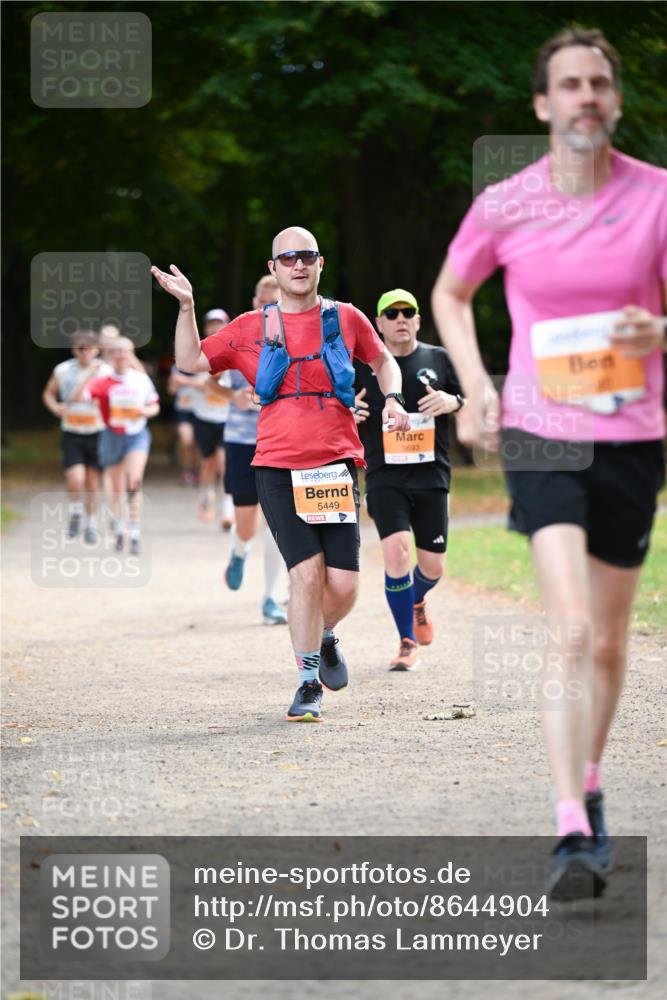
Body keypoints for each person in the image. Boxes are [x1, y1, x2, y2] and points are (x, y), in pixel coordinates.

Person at [432, 28, 667, 900]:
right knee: (568, 628)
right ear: (542, 104)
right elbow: (450, 294)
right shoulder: (507, 203)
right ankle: (569, 824)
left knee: (608, 641)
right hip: (541, 429)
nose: (585, 98)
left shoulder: (656, 199)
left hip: (633, 432)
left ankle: (592, 776)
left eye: (598, 83)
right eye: (568, 85)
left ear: (614, 98)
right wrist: (475, 386)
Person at [151, 226, 409, 722]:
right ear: (273, 268)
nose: (298, 264)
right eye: (287, 258)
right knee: (305, 575)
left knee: (345, 586)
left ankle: (324, 634)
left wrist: (392, 398)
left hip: (334, 464)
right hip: (276, 465)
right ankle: (307, 681)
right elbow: (190, 360)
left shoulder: (346, 317)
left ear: (320, 263)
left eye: (307, 256)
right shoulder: (251, 326)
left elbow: (382, 361)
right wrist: (186, 307)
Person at [353, 289, 464, 670]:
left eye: (408, 312)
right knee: (397, 551)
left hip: (432, 474)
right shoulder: (361, 365)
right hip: (385, 475)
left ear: (417, 319)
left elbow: (470, 396)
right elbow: (337, 408)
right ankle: (406, 641)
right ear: (379, 323)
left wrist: (453, 401)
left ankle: (417, 600)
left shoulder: (438, 359)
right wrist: (349, 411)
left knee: (433, 567)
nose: (400, 319)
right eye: (392, 313)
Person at [213, 274, 288, 626]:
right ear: (256, 303)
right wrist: (234, 396)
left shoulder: (298, 338)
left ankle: (271, 598)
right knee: (247, 526)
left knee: (279, 524)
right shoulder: (239, 336)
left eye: (279, 301)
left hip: (282, 442)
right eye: (266, 302)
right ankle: (239, 550)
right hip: (242, 441)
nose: (272, 308)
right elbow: (208, 385)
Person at [69, 337, 160, 555]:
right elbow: (76, 399)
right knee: (115, 487)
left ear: (131, 354)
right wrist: (91, 374)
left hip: (136, 435)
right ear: (110, 355)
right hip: (111, 436)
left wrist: (145, 412)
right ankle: (119, 528)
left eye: (125, 351)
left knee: (133, 481)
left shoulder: (140, 379)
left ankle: (135, 531)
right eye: (116, 351)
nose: (120, 355)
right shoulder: (103, 380)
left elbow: (154, 405)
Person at [41, 330, 111, 543]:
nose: (84, 352)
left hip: (97, 432)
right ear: (73, 350)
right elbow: (48, 393)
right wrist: (55, 408)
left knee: (92, 482)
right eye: (80, 348)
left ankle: (90, 524)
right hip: (72, 431)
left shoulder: (105, 371)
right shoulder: (62, 370)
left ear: (96, 349)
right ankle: (75, 512)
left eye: (88, 347)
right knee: (75, 480)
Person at [191, 308, 235, 529]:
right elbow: (180, 378)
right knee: (208, 462)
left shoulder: (233, 349)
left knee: (224, 462)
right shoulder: (198, 349)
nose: (215, 327)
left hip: (227, 417)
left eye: (220, 323)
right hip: (204, 416)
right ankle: (206, 492)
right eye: (211, 323)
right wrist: (197, 384)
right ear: (206, 327)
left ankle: (227, 510)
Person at [167, 364, 200, 485]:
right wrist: (195, 382)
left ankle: (196, 471)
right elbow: (172, 389)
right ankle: (186, 471)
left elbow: (207, 385)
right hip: (183, 410)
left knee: (198, 444)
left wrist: (183, 381)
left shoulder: (205, 366)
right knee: (187, 441)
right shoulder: (177, 367)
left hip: (201, 411)